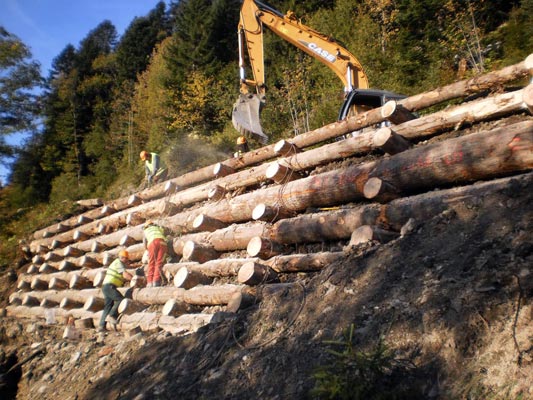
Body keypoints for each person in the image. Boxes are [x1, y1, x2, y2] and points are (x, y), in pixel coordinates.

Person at [98, 249, 132, 332]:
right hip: (109, 286)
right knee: (120, 299)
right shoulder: (118, 263)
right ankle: (112, 315)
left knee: (108, 306)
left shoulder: (118, 263)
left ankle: (101, 326)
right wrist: (133, 279)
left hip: (106, 287)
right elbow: (125, 275)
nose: (127, 261)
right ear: (123, 258)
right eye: (126, 259)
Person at [143, 220, 168, 287]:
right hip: (162, 243)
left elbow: (144, 242)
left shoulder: (146, 231)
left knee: (151, 263)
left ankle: (149, 282)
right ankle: (156, 281)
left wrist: (146, 249)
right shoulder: (158, 228)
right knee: (159, 263)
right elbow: (163, 231)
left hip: (152, 244)